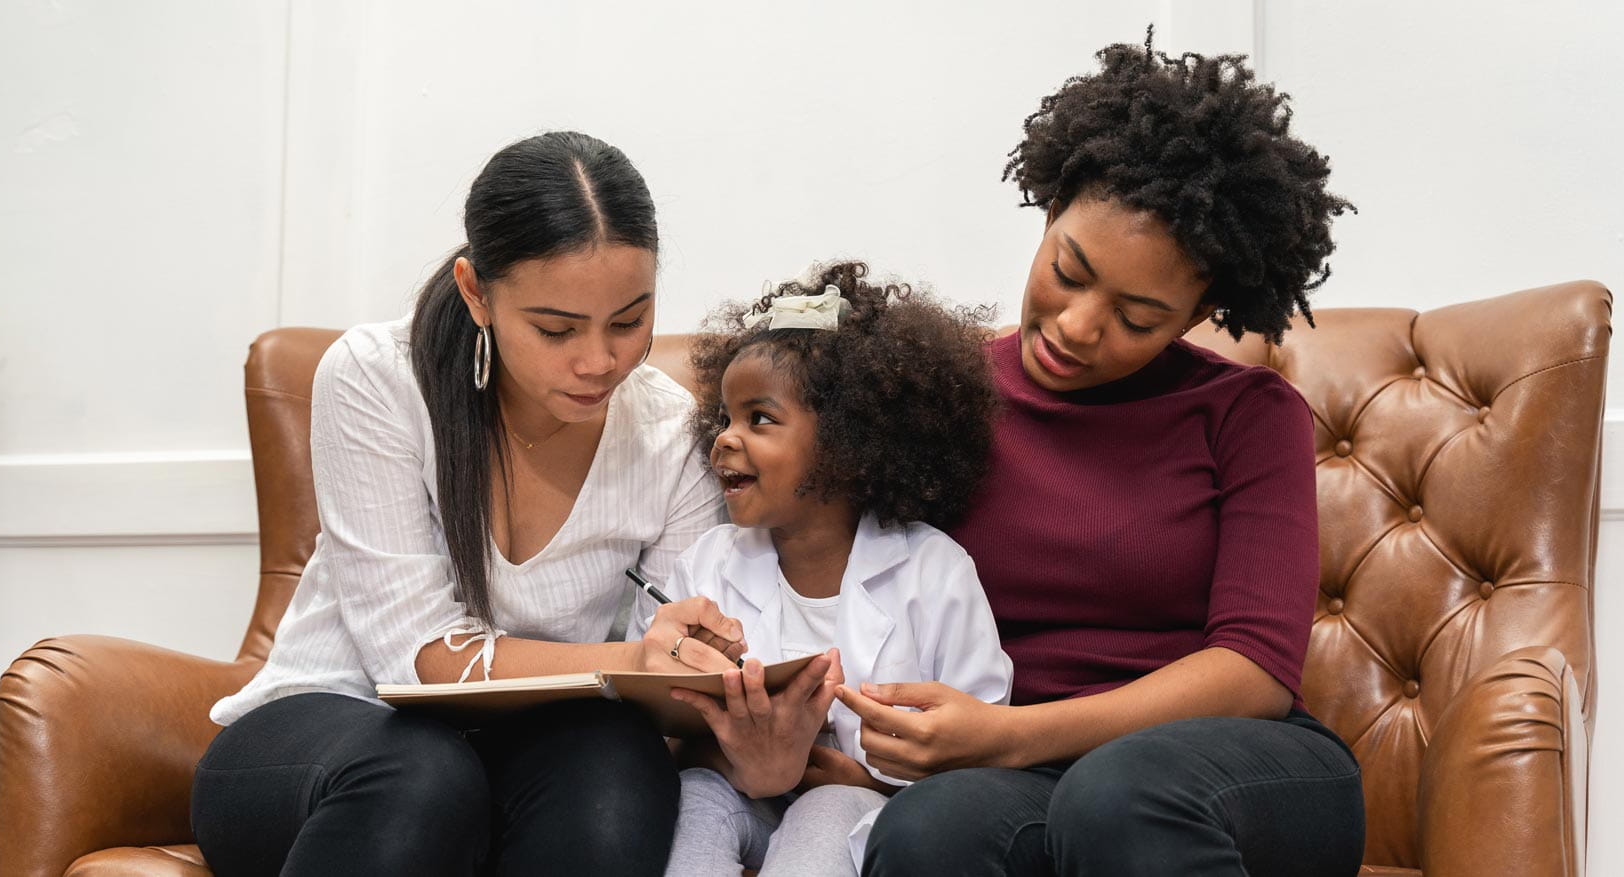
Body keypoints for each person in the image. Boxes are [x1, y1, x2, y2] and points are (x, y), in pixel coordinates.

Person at [842, 33, 1368, 876]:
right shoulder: (939, 395)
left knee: (1118, 797)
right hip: (1034, 772)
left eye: (1137, 316)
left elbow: (1255, 671)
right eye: (1069, 270)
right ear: (1048, 215)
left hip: (1237, 766)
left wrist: (1010, 735)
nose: (1080, 326)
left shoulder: (1247, 414)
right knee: (927, 832)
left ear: (1200, 313)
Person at [189, 131, 757, 877]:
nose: (599, 361)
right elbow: (417, 658)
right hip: (324, 741)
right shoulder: (375, 379)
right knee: (423, 772)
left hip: (519, 758)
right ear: (475, 291)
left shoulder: (670, 431)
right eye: (554, 329)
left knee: (618, 759)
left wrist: (702, 664)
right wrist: (632, 658)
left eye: (629, 320)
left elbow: (669, 684)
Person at [635, 262, 1014, 877]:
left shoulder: (935, 571)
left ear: (848, 443)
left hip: (871, 806)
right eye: (724, 418)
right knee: (699, 803)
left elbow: (982, 746)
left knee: (827, 808)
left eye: (759, 418)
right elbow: (655, 730)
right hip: (738, 792)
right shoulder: (706, 564)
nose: (725, 439)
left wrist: (863, 779)